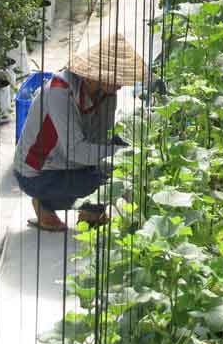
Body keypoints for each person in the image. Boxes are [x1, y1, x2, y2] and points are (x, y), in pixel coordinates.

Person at [14, 33, 146, 232]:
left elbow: (101, 138)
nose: (120, 85)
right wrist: (123, 157)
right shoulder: (59, 92)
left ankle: (80, 206)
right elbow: (76, 152)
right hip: (38, 173)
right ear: (97, 74)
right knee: (112, 175)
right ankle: (61, 206)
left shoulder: (107, 94)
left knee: (121, 151)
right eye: (116, 78)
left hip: (66, 160)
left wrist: (125, 152)